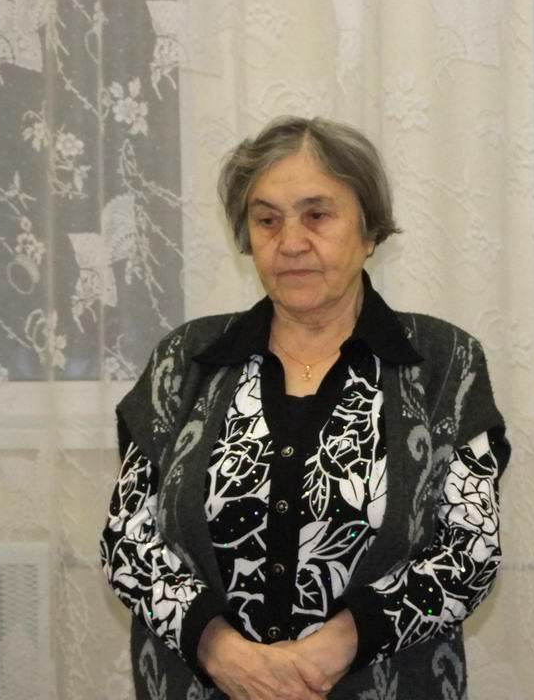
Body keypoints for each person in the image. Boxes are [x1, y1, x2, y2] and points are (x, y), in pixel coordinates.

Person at [101, 116, 509, 699]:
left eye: (317, 215)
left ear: (369, 231)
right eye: (267, 220)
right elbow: (126, 540)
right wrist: (221, 652)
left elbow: (470, 550)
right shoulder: (184, 360)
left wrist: (335, 647)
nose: (290, 242)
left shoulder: (445, 364)